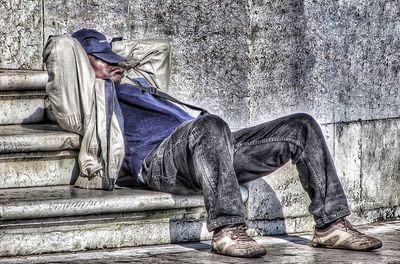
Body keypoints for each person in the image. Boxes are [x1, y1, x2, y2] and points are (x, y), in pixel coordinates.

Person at [47, 28, 383, 258]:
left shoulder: (137, 82)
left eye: (112, 56)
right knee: (209, 125)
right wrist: (89, 60)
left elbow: (156, 51)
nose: (112, 63)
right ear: (80, 63)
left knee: (300, 126)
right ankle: (227, 230)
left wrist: (110, 53)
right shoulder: (89, 100)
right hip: (159, 162)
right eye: (100, 58)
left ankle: (332, 225)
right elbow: (61, 51)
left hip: (207, 148)